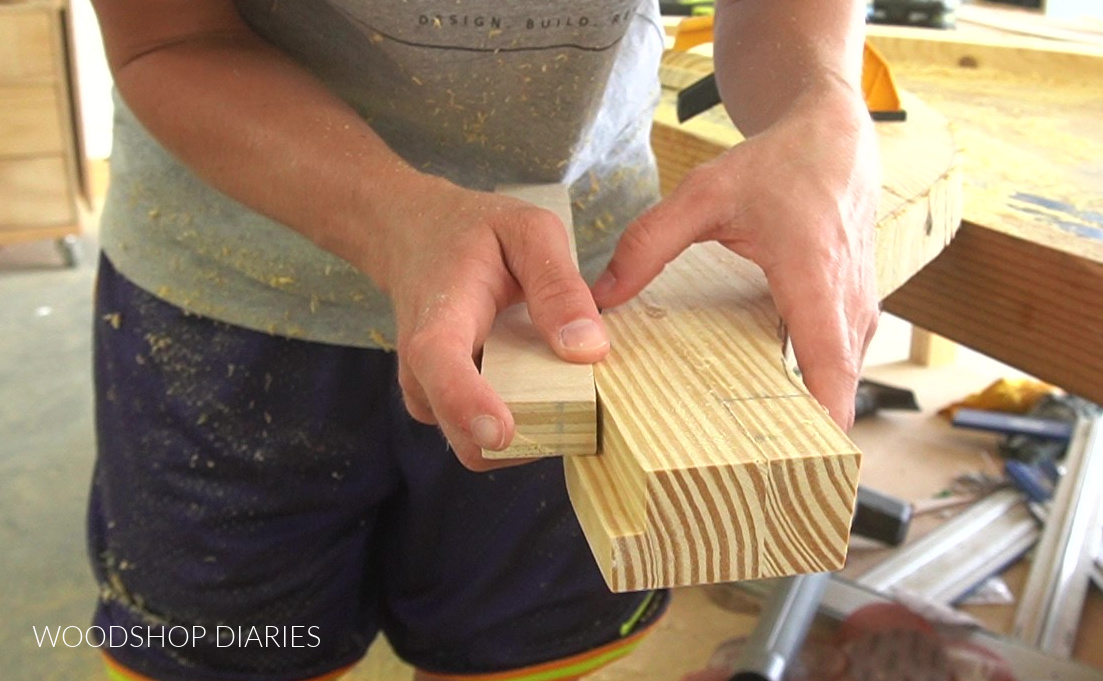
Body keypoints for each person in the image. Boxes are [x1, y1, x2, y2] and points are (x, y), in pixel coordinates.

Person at [86, 0, 880, 679]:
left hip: (578, 300)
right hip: (232, 293)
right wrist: (395, 215)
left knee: (531, 652)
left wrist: (821, 103)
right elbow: (168, 34)